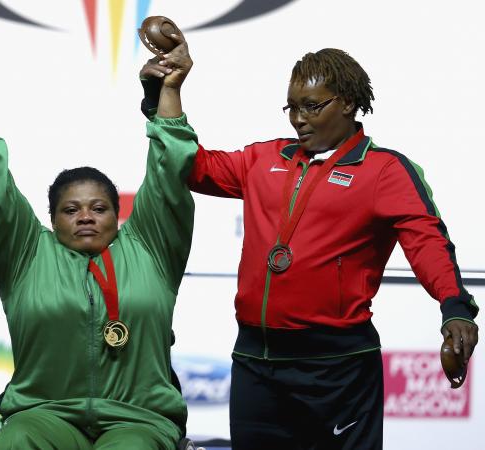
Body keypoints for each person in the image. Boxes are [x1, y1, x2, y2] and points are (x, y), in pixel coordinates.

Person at [140, 46, 479, 449]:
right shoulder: (264, 158)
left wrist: (454, 306)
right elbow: (188, 165)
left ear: (349, 103)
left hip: (337, 369)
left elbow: (427, 241)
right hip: (256, 363)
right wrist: (163, 92)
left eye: (312, 106)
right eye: (292, 108)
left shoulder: (385, 170)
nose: (299, 119)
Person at [0, 40, 197, 449]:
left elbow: (169, 173)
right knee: (17, 442)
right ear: (52, 219)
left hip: (137, 419)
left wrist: (170, 91)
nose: (85, 216)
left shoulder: (151, 248)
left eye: (98, 208)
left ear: (119, 216)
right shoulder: (27, 254)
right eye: (71, 210)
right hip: (44, 414)